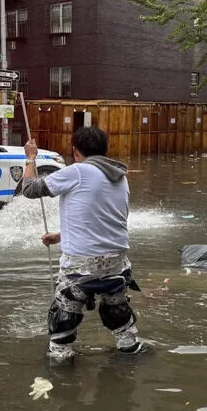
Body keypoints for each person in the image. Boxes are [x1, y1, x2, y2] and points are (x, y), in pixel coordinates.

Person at [22, 126, 145, 362]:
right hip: (117, 265)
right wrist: (61, 235)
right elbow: (106, 217)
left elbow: (29, 189)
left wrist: (30, 158)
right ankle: (129, 352)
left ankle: (61, 367)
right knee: (118, 314)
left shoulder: (77, 171)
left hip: (80, 268)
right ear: (105, 149)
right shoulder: (120, 176)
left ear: (75, 151)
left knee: (63, 318)